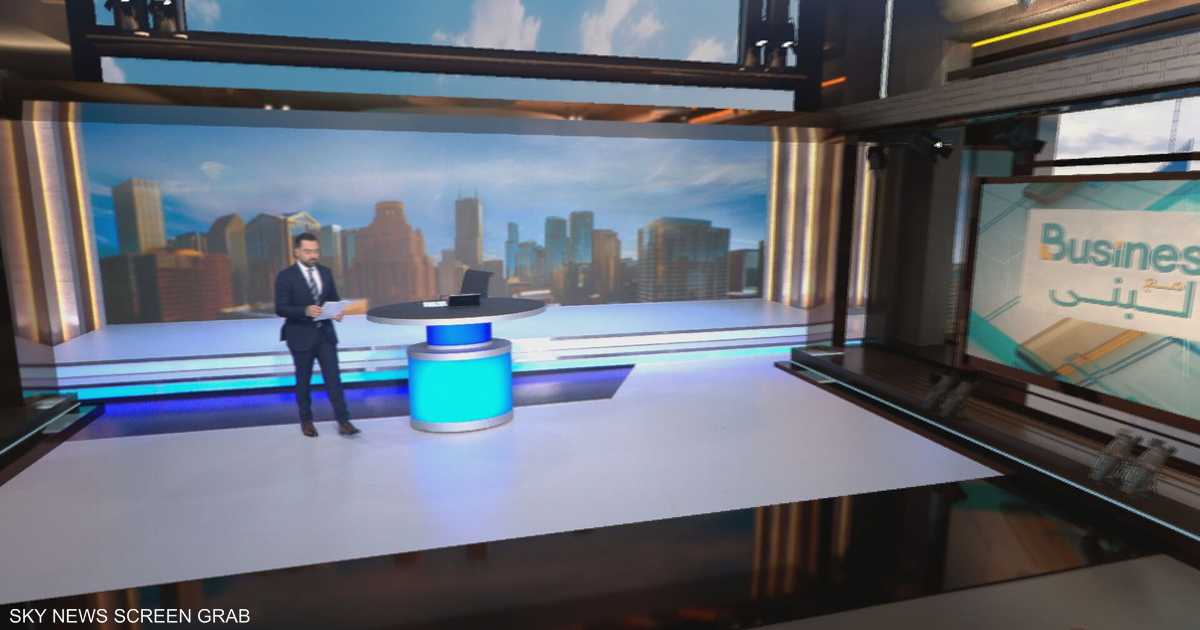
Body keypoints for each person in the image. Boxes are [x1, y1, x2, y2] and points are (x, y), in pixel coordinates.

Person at [275, 233, 359, 437]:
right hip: (300, 336)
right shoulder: (285, 276)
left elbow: (333, 299)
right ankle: (306, 421)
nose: (313, 255)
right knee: (303, 381)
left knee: (334, 379)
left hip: (325, 335)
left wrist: (337, 312)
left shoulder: (325, 272)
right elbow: (281, 308)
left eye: (316, 251)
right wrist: (304, 310)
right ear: (296, 252)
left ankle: (344, 421)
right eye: (308, 251)